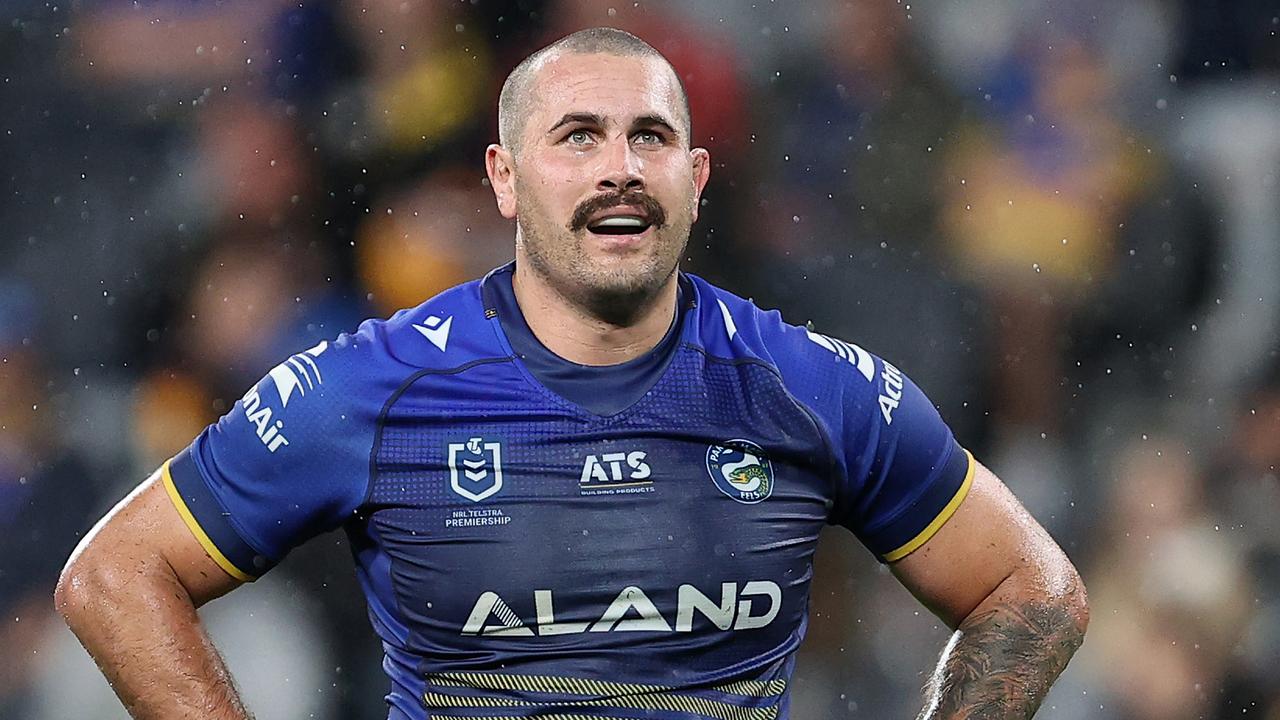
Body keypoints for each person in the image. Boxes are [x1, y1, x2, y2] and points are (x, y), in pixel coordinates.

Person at [56, 27, 1088, 720]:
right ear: (504, 179)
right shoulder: (375, 388)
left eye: (650, 137)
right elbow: (114, 576)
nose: (618, 169)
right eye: (577, 137)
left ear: (694, 177)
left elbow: (1030, 589)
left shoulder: (806, 387)